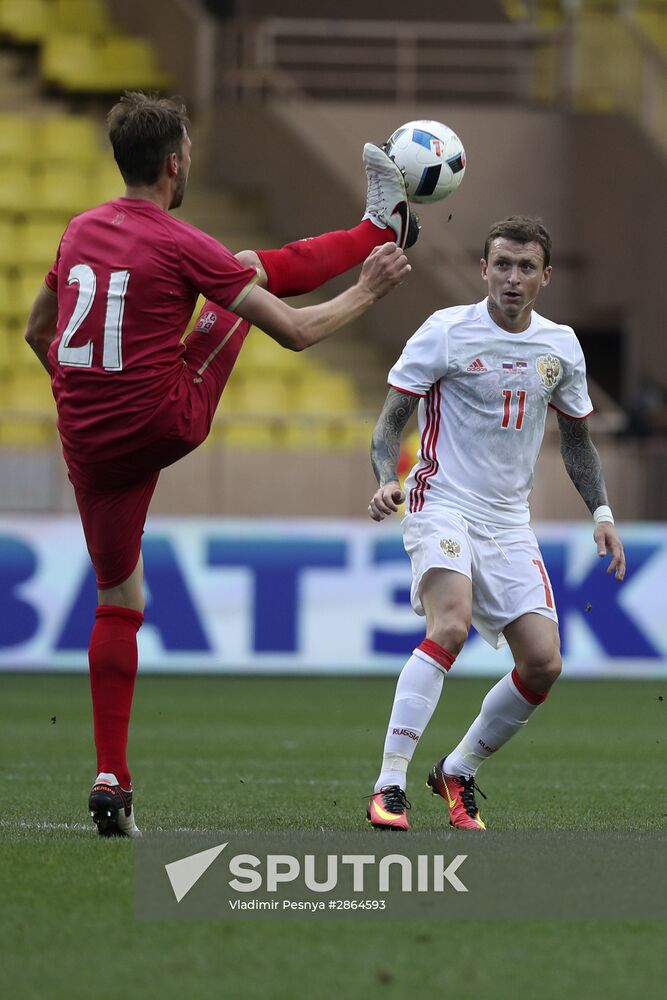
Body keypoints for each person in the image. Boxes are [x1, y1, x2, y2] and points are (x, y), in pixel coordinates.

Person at [24, 91, 414, 838]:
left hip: (86, 439)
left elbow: (39, 333)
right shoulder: (180, 242)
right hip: (161, 420)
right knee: (243, 274)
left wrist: (85, 394)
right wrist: (367, 290)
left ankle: (111, 779)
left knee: (116, 599)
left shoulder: (78, 231)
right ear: (175, 164)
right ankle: (378, 232)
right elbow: (295, 333)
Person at [365, 215, 626, 831]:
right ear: (483, 269)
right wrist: (384, 477)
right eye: (502, 265)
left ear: (545, 276)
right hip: (442, 502)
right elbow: (389, 422)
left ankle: (457, 770)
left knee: (543, 663)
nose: (512, 278)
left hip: (508, 522)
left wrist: (602, 513)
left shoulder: (560, 346)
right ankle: (389, 783)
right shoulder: (446, 331)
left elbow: (578, 442)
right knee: (450, 623)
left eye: (525, 267)